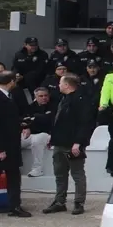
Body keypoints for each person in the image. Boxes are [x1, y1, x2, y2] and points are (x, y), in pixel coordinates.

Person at [45, 73, 92, 215]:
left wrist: (78, 142)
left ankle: (79, 203)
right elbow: (59, 121)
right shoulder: (63, 99)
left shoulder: (81, 100)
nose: (58, 85)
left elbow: (85, 123)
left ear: (66, 85)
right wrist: (52, 138)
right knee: (59, 174)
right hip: (59, 143)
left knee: (77, 174)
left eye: (60, 83)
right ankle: (60, 201)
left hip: (73, 145)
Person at [0, 72, 31, 217]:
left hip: (11, 144)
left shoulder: (8, 96)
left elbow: (8, 120)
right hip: (3, 146)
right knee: (11, 175)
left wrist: (22, 124)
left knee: (13, 175)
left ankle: (14, 206)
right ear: (11, 81)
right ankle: (14, 205)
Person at [20, 87, 55, 177]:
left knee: (37, 140)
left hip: (46, 134)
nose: (44, 98)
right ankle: (14, 167)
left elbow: (50, 121)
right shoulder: (30, 107)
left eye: (46, 95)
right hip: (30, 134)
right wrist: (27, 127)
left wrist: (34, 118)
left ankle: (37, 169)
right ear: (35, 97)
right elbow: (23, 121)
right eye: (41, 96)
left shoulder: (54, 106)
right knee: (14, 141)